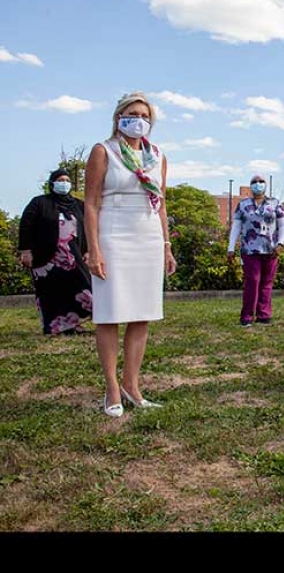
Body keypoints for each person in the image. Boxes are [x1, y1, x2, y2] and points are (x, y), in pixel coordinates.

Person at [84, 92, 177, 417]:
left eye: (144, 115)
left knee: (142, 313)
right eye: (131, 113)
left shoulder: (158, 156)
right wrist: (93, 248)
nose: (138, 119)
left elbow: (161, 203)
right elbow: (91, 204)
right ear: (118, 116)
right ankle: (111, 388)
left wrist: (166, 246)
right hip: (113, 234)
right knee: (110, 313)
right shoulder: (103, 151)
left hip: (147, 235)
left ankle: (131, 386)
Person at [18, 169, 93, 335]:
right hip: (46, 258)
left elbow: (88, 228)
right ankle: (61, 327)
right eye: (60, 180)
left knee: (83, 287)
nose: (64, 183)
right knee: (52, 292)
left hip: (73, 257)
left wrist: (88, 250)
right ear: (52, 184)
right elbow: (26, 226)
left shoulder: (79, 205)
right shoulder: (39, 203)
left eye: (67, 180)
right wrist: (25, 251)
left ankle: (78, 321)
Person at [227, 173, 284, 327]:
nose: (258, 184)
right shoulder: (243, 205)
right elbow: (236, 227)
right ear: (250, 185)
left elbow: (283, 225)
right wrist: (231, 248)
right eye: (254, 181)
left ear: (265, 185)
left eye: (261, 181)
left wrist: (280, 243)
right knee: (252, 282)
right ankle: (247, 316)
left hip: (271, 250)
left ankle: (264, 315)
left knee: (267, 283)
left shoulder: (275, 203)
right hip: (250, 250)